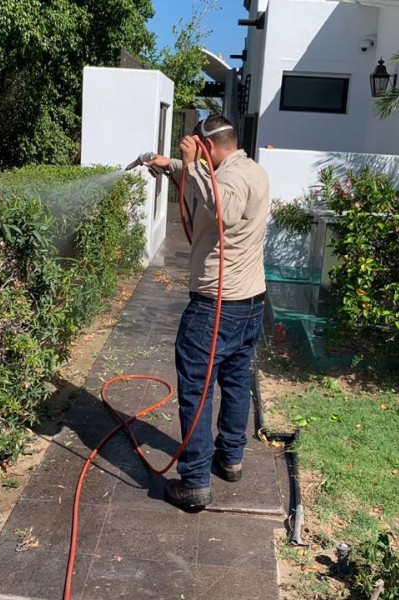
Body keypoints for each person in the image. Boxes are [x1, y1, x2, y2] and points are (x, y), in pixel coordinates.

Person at [144, 115, 270, 510]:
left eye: (200, 150)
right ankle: (230, 458)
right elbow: (213, 182)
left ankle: (195, 481)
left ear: (208, 146)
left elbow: (224, 209)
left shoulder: (225, 178)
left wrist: (194, 165)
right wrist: (171, 166)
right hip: (251, 304)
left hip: (217, 306)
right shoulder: (252, 170)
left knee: (197, 389)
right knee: (235, 381)